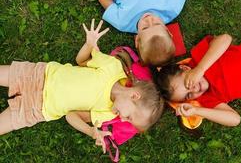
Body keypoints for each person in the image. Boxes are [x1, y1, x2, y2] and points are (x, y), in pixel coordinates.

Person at [0, 19, 164, 153]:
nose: (121, 119)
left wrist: (91, 131)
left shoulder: (107, 113)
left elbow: (71, 115)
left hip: (38, 108)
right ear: (134, 95)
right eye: (128, 117)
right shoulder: (113, 67)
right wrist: (89, 44)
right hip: (38, 76)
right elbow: (81, 61)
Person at [95, 0, 186, 66]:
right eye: (157, 24)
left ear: (137, 40)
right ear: (168, 31)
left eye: (145, 28)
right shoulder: (171, 8)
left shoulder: (122, 21)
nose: (149, 19)